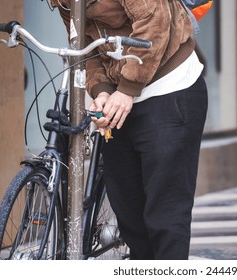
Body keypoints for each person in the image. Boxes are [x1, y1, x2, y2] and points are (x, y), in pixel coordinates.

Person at [51, 0, 208, 260]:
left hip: (170, 88)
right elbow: (82, 47)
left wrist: (126, 90)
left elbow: (155, 25)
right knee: (130, 219)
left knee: (165, 218)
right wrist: (101, 91)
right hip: (120, 96)